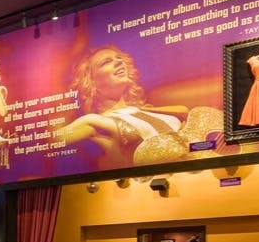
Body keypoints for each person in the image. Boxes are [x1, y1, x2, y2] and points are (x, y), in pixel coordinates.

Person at [53, 46, 221, 166]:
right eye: (106, 62)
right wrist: (59, 84)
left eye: (119, 59)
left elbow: (185, 112)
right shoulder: (95, 121)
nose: (119, 62)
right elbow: (52, 140)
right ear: (91, 81)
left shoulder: (147, 111)